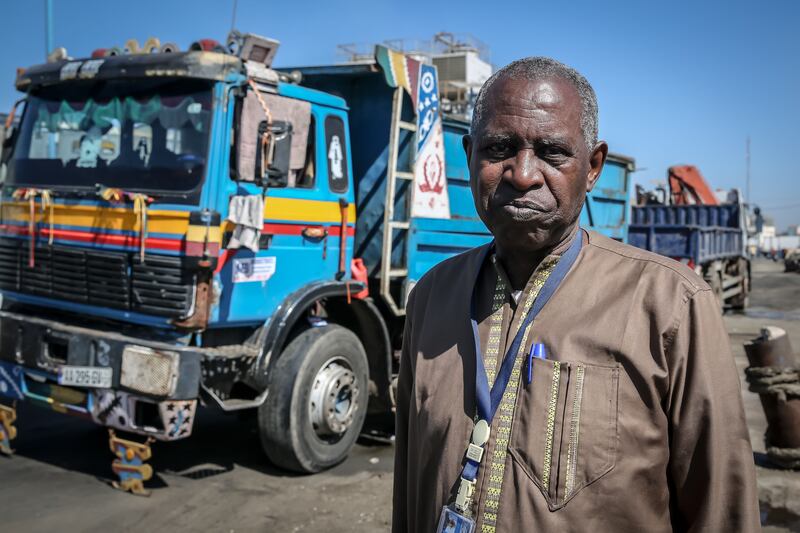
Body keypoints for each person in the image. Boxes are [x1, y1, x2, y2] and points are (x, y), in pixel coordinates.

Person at [392, 57, 760, 532]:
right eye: (500, 147)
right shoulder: (432, 296)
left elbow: (721, 509)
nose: (522, 174)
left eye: (551, 153)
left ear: (593, 168)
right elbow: (407, 486)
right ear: (469, 156)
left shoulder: (670, 305)